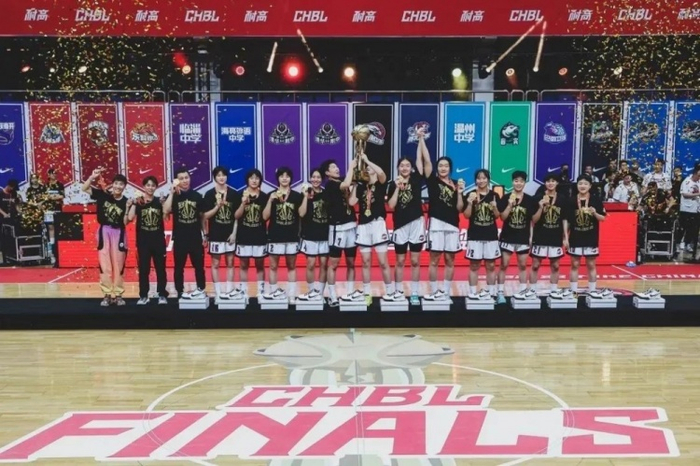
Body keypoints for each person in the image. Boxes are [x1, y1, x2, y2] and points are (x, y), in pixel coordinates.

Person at [387, 128, 430, 305]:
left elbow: (422, 160)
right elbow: (391, 205)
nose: (404, 168)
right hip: (400, 226)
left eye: (407, 165)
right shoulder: (392, 184)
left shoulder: (416, 179)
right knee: (399, 260)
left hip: (416, 223)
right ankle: (398, 291)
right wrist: (397, 188)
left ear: (411, 168)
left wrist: (420, 139)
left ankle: (414, 292)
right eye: (401, 165)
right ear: (398, 168)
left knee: (415, 260)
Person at [554, 174, 607, 298]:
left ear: (590, 186)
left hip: (591, 237)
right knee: (575, 265)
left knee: (591, 264)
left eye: (585, 184)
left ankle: (592, 291)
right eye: (580, 184)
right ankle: (573, 292)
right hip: (575, 237)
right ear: (577, 185)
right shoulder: (571, 200)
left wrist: (595, 213)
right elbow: (567, 221)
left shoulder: (595, 200)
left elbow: (603, 218)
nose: (582, 186)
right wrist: (565, 238)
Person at [81, 168, 129, 306]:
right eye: (116, 183)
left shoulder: (126, 202)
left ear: (124, 187)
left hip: (119, 232)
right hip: (104, 231)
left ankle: (118, 294)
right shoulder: (103, 195)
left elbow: (127, 221)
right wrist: (92, 177)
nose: (118, 186)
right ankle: (107, 294)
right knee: (104, 264)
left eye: (121, 184)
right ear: (112, 184)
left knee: (119, 264)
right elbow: (85, 188)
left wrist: (129, 208)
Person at [349, 153, 391, 304]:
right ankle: (367, 294)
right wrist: (355, 185)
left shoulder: (380, 184)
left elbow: (381, 173)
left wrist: (367, 160)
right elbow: (352, 202)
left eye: (369, 167)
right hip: (363, 225)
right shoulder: (361, 187)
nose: (367, 169)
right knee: (365, 262)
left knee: (382, 261)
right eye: (365, 168)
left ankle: (390, 292)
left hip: (378, 224)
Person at [321, 158, 362, 307]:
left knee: (351, 263)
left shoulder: (342, 183)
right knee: (333, 264)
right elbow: (345, 184)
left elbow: (352, 202)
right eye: (333, 167)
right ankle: (332, 296)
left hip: (351, 225)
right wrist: (351, 167)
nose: (337, 168)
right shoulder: (330, 185)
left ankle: (350, 293)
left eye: (337, 166)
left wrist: (355, 185)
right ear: (327, 173)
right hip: (337, 228)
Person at [423, 156, 464, 301]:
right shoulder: (433, 181)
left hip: (452, 225)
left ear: (450, 168)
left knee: (450, 260)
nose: (443, 168)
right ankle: (434, 291)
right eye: (440, 165)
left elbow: (459, 208)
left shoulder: (456, 184)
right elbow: (427, 162)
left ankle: (445, 292)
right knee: (434, 260)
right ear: (437, 168)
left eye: (446, 166)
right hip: (436, 224)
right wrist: (421, 142)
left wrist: (460, 193)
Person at [163, 168, 206, 299]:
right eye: (181, 178)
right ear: (177, 181)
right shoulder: (174, 196)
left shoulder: (197, 196)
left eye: (186, 177)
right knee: (179, 267)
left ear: (190, 178)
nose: (184, 180)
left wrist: (205, 234)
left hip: (195, 237)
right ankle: (179, 291)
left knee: (199, 266)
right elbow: (166, 210)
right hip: (180, 237)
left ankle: (201, 289)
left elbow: (202, 218)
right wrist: (171, 193)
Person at [263, 166, 303, 301]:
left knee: (291, 266)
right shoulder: (271, 195)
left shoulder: (297, 196)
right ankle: (273, 292)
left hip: (291, 236)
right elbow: (265, 217)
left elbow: (301, 215)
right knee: (273, 266)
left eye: (287, 176)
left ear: (291, 179)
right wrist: (270, 200)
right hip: (275, 236)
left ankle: (291, 295)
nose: (284, 178)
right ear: (278, 178)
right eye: (282, 176)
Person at [126, 176, 168, 305]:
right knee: (144, 269)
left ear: (156, 187)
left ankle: (162, 294)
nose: (150, 187)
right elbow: (130, 218)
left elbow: (166, 217)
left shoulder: (159, 201)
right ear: (143, 187)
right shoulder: (139, 202)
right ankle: (144, 295)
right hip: (143, 242)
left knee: (161, 269)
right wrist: (133, 203)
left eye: (153, 185)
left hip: (158, 240)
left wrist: (163, 204)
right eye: (148, 185)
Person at [203, 166, 241, 303]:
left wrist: (234, 233)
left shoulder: (234, 194)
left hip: (230, 235)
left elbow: (237, 217)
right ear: (214, 177)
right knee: (215, 263)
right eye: (218, 175)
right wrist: (217, 206)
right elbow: (205, 216)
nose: (221, 177)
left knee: (230, 262)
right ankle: (218, 293)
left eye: (223, 175)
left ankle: (229, 290)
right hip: (215, 234)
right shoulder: (209, 194)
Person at [497, 171, 536, 302]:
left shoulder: (530, 200)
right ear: (512, 182)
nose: (518, 183)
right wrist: (509, 205)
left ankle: (523, 291)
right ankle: (500, 292)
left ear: (525, 183)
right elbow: (502, 217)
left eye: (521, 181)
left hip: (523, 237)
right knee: (504, 265)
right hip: (507, 237)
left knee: (523, 265)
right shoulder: (506, 198)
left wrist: (531, 237)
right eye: (516, 181)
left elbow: (532, 221)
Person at [464, 169, 501, 301]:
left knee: (491, 265)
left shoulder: (494, 195)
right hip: (475, 235)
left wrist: (495, 207)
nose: (481, 181)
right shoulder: (470, 194)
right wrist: (469, 203)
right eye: (479, 178)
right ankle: (472, 293)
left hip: (490, 235)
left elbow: (498, 216)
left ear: (488, 180)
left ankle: (491, 293)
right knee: (474, 265)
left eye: (484, 178)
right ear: (475, 180)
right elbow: (466, 215)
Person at [530, 173, 569, 294]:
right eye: (548, 181)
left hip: (555, 236)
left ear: (557, 183)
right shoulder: (537, 198)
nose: (550, 183)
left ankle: (553, 291)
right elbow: (533, 220)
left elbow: (564, 219)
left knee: (555, 266)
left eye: (553, 181)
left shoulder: (562, 199)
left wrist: (566, 238)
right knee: (535, 265)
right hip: (540, 235)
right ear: (545, 183)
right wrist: (540, 207)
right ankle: (532, 291)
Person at [233, 169, 268, 299]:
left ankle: (261, 291)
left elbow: (265, 217)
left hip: (259, 235)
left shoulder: (264, 197)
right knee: (243, 264)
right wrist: (243, 203)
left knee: (260, 264)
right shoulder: (239, 195)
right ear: (247, 180)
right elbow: (236, 216)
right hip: (244, 235)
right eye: (251, 178)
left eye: (257, 178)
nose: (254, 180)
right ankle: (243, 291)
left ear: (260, 181)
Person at [297, 168, 329, 301]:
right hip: (310, 234)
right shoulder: (305, 193)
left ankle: (319, 293)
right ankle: (311, 291)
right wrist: (305, 197)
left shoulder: (326, 194)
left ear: (322, 179)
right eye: (313, 177)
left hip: (325, 234)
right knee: (310, 264)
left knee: (324, 264)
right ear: (310, 179)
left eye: (318, 177)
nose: (316, 179)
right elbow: (301, 213)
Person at [679, 165, 700, 262]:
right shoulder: (687, 181)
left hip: (696, 210)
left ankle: (690, 245)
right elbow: (684, 194)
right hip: (686, 209)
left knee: (693, 229)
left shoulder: (699, 182)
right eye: (698, 176)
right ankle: (680, 244)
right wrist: (697, 194)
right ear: (695, 174)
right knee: (684, 228)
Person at [44, 168, 64, 265]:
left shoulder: (60, 184)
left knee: (58, 228)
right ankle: (51, 253)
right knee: (50, 228)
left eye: (55, 173)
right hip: (48, 210)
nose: (54, 175)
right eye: (52, 174)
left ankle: (58, 251)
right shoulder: (46, 185)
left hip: (58, 209)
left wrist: (53, 197)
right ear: (48, 175)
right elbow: (45, 197)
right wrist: (53, 197)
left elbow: (62, 196)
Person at [0, 179, 21, 265]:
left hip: (12, 218)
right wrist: (4, 214)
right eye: (12, 187)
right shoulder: (1, 193)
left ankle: (13, 255)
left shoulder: (14, 194)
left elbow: (17, 205)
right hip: (2, 219)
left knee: (12, 236)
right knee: (3, 237)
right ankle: (4, 257)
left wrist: (19, 211)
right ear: (9, 186)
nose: (12, 189)